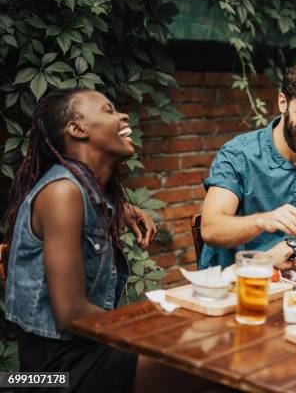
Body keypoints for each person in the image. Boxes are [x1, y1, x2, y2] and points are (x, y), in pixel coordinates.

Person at [3, 88, 206, 393]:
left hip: (84, 353)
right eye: (108, 110)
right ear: (77, 128)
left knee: (205, 360)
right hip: (53, 374)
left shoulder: (83, 193)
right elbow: (71, 314)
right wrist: (152, 323)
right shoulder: (63, 193)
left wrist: (119, 208)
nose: (122, 115)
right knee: (201, 363)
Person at [199, 57, 296, 269]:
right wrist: (262, 220)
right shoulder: (238, 154)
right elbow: (210, 229)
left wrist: (290, 246)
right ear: (283, 102)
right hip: (237, 283)